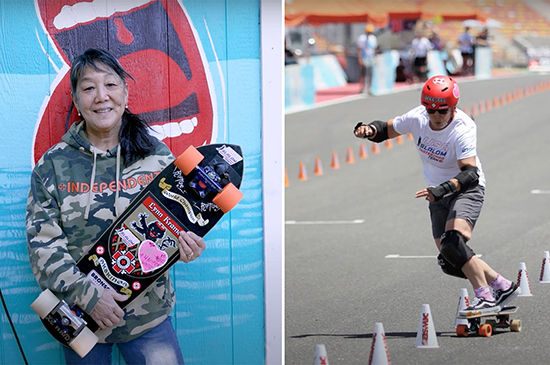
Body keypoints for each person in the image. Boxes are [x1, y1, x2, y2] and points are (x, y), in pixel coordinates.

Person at [26, 48, 206, 364]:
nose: (101, 96)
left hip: (149, 320)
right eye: (88, 87)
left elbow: (180, 223)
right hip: (82, 321)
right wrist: (89, 297)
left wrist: (186, 246)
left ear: (125, 91)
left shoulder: (156, 155)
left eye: (110, 85)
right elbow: (43, 248)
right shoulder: (52, 165)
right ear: (76, 99)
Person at [353, 75, 521, 315]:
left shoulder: (463, 127)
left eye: (442, 110)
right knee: (449, 259)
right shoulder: (417, 118)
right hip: (436, 192)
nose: (436, 116)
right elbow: (385, 130)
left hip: (466, 189)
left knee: (453, 243)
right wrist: (368, 129)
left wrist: (441, 190)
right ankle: (502, 285)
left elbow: (470, 174)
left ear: (453, 107)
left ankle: (485, 296)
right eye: (431, 110)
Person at [356, 24, 378, 94]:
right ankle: (362, 87)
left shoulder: (373, 38)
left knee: (370, 73)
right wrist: (360, 59)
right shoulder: (362, 38)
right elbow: (359, 49)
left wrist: (375, 58)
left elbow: (375, 49)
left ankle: (370, 88)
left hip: (370, 58)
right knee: (363, 74)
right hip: (364, 58)